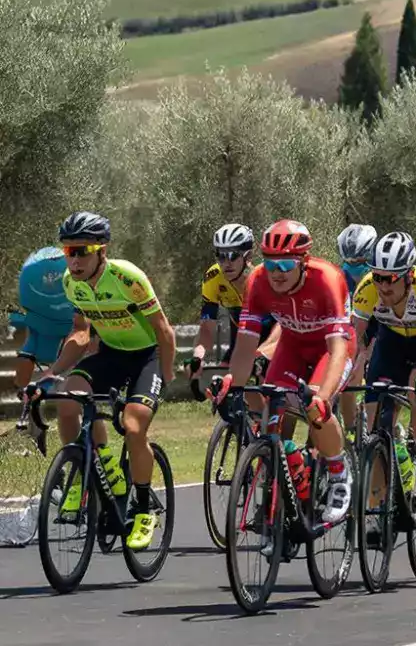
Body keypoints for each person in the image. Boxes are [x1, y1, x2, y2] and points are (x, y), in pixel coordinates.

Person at [37, 212, 176, 551]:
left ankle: (143, 509)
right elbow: (82, 335)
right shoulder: (73, 284)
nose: (74, 260)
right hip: (112, 354)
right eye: (68, 252)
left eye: (81, 251)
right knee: (67, 400)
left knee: (133, 426)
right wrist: (53, 372)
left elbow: (163, 330)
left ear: (102, 250)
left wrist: (167, 376)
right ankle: (78, 475)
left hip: (147, 357)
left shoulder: (128, 278)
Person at [216, 219, 356, 525]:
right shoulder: (257, 281)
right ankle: (283, 491)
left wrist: (323, 396)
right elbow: (244, 347)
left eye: (286, 266)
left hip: (330, 349)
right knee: (271, 413)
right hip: (292, 345)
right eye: (270, 265)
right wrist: (233, 384)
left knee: (316, 408)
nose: (276, 274)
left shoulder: (327, 279)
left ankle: (338, 471)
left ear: (304, 262)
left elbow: (337, 350)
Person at [353, 231, 416, 516]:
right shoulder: (367, 289)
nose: (383, 285)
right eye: (377, 277)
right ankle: (377, 500)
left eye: (391, 278)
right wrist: (348, 375)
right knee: (373, 418)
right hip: (392, 342)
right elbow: (351, 342)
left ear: (409, 275)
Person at [189, 224, 278, 378]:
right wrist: (198, 355)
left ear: (248, 256)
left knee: (267, 383)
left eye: (233, 256)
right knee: (229, 386)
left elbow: (282, 324)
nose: (226, 263)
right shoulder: (214, 278)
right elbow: (206, 328)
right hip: (240, 337)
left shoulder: (264, 279)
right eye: (221, 256)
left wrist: (264, 351)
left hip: (272, 337)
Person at [335, 223, 379, 440]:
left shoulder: (382, 277)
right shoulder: (340, 278)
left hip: (381, 327)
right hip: (354, 327)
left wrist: (366, 353)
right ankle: (351, 429)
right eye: (348, 263)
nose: (353, 270)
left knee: (375, 372)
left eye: (360, 264)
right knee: (348, 374)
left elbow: (384, 327)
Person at [12, 247, 75, 391]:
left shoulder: (32, 270)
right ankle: (35, 389)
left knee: (31, 341)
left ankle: (23, 391)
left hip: (45, 325)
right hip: (65, 327)